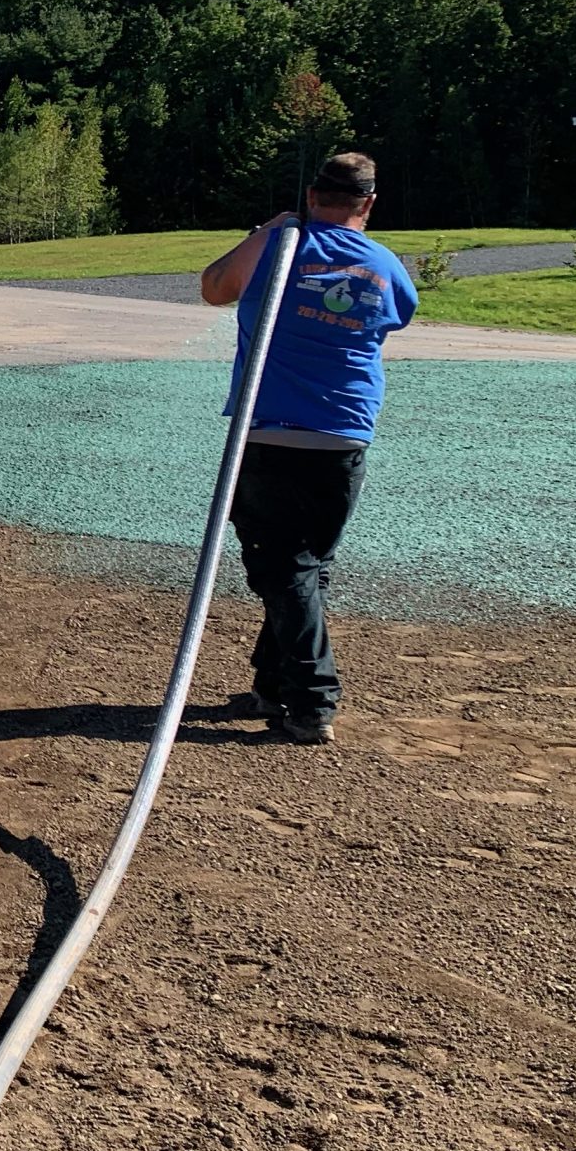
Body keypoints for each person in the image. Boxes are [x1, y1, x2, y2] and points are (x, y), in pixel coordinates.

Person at [199, 151, 417, 744]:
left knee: (286, 566)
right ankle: (272, 685)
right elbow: (398, 315)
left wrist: (269, 230)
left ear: (312, 195)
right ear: (367, 204)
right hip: (344, 435)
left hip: (270, 431)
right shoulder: (386, 265)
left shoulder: (278, 248)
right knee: (302, 566)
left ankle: (312, 697)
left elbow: (214, 288)